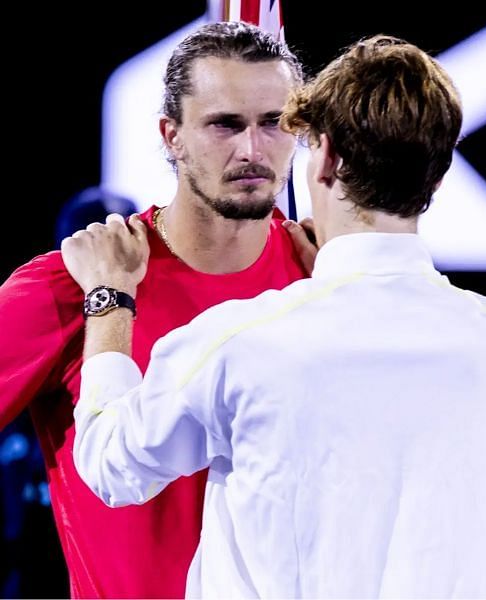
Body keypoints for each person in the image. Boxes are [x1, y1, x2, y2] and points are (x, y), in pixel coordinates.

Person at [62, 34, 486, 598]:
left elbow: (110, 467)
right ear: (436, 177)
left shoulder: (239, 342)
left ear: (327, 158)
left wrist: (110, 297)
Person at [0, 21, 308, 598]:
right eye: (225, 124)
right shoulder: (72, 286)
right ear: (172, 136)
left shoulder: (323, 279)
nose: (252, 149)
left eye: (275, 124)